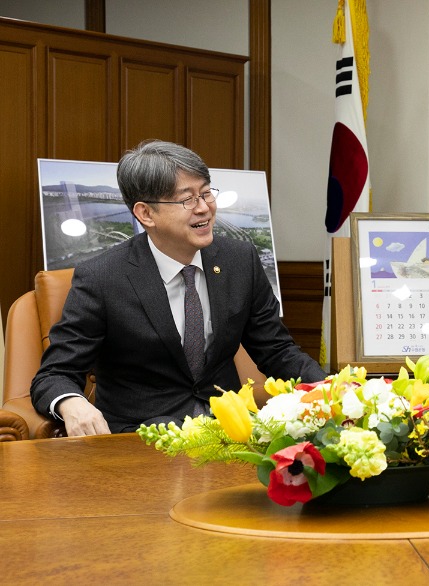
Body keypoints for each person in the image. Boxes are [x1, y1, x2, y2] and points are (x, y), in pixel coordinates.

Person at [31, 140, 327, 436]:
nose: (204, 208)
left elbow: (276, 350)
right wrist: (72, 403)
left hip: (229, 434)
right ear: (146, 214)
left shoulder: (240, 261)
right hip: (141, 442)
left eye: (206, 193)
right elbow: (55, 373)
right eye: (187, 199)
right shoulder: (102, 278)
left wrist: (331, 390)